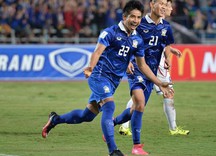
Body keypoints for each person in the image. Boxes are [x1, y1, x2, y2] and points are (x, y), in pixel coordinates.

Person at [41, 1, 172, 156]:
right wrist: (90, 68)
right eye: (132, 17)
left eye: (138, 17)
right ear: (124, 17)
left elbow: (142, 66)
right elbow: (97, 52)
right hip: (99, 76)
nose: (136, 21)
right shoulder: (110, 33)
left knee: (87, 116)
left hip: (113, 82)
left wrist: (159, 83)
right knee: (109, 107)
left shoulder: (137, 40)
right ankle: (113, 151)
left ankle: (55, 119)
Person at [109, 0, 188, 155]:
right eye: (161, 3)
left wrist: (168, 57)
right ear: (152, 4)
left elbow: (165, 44)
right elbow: (127, 39)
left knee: (142, 104)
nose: (165, 6)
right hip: (139, 67)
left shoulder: (166, 26)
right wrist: (127, 60)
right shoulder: (139, 21)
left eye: (167, 4)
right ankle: (135, 143)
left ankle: (114, 124)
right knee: (139, 101)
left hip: (153, 68)